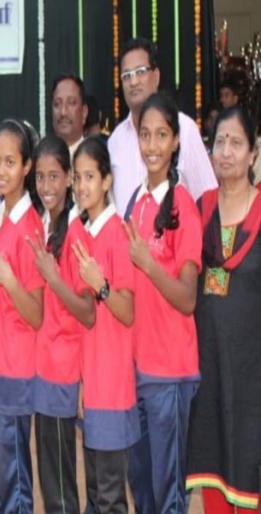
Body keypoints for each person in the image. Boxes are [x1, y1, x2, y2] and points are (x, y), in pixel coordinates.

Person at [124, 93, 202, 514]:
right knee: (143, 489)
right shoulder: (136, 203)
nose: (152, 145)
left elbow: (187, 298)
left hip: (170, 373)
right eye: (145, 135)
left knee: (168, 492)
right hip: (137, 370)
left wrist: (148, 263)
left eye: (161, 135)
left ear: (175, 142)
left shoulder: (183, 206)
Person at [186, 106, 261, 513]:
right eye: (220, 142)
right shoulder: (199, 210)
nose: (226, 152)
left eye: (236, 143)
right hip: (209, 368)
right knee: (211, 467)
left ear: (253, 154)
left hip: (253, 374)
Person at [27, 135, 95, 514]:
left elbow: (88, 311)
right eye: (40, 177)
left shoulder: (76, 233)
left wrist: (53, 278)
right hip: (44, 369)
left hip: (62, 371)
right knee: (51, 478)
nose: (46, 186)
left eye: (54, 176)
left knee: (61, 486)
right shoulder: (45, 226)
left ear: (70, 178)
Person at [0, 119, 44, 514]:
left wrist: (9, 280)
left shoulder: (30, 228)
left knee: (14, 478)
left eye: (10, 162)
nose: (1, 171)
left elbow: (36, 314)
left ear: (27, 167)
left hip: (16, 371)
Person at [72, 137, 140, 513]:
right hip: (93, 384)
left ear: (107, 181)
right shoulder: (85, 233)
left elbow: (127, 310)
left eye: (90, 177)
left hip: (114, 387)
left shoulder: (117, 233)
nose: (82, 186)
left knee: (110, 497)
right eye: (77, 177)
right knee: (97, 493)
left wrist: (101, 285)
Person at [108, 37, 216, 217]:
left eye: (140, 72)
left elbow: (208, 201)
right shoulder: (115, 142)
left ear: (156, 76)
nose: (133, 82)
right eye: (126, 76)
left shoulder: (184, 129)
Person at [51, 74, 88, 158]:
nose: (63, 112)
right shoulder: (41, 160)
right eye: (57, 104)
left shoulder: (95, 159)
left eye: (71, 103)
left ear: (84, 112)